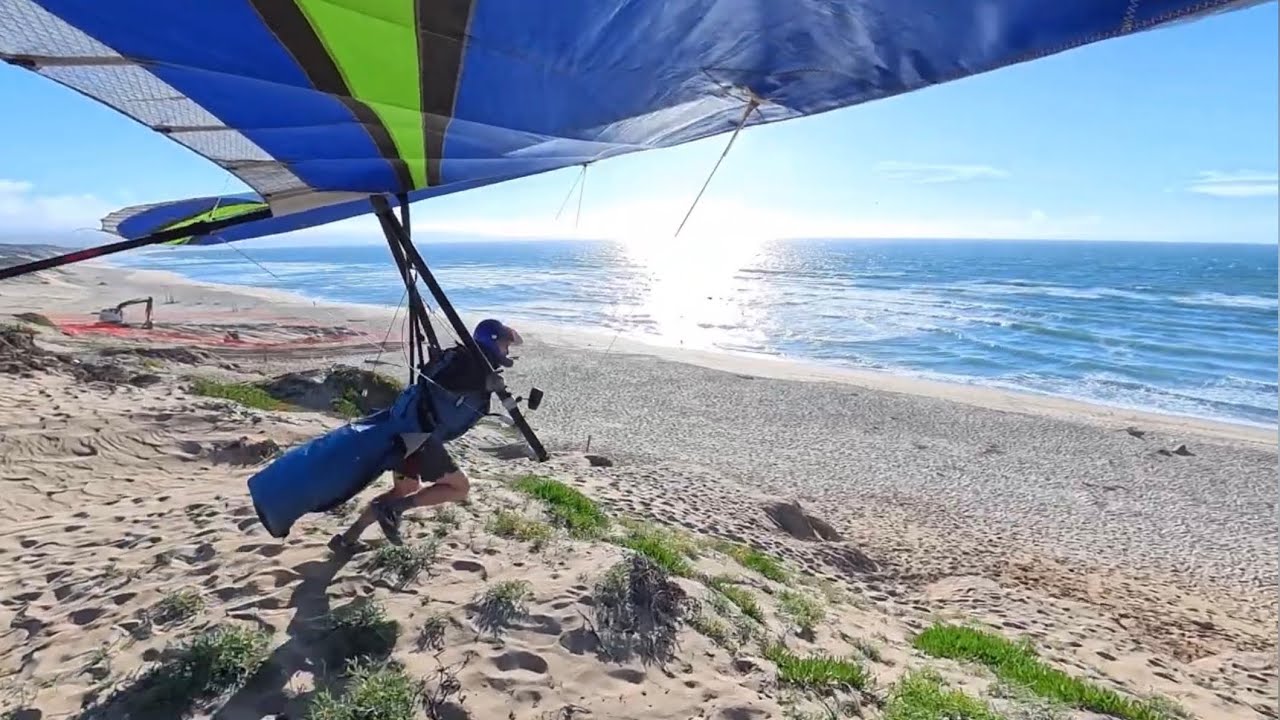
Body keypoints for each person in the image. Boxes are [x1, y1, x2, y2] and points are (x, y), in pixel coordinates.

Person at [327, 318, 522, 552]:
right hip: (419, 437)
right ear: (492, 342)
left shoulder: (466, 360)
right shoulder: (469, 365)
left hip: (405, 431)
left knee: (404, 489)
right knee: (459, 487)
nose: (506, 350)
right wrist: (483, 381)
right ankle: (393, 509)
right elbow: (450, 381)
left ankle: (347, 539)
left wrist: (487, 381)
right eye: (504, 344)